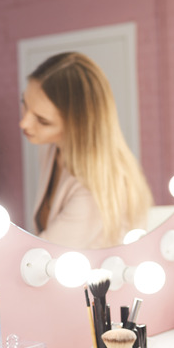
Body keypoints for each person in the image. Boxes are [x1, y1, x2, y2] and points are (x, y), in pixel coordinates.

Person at [21, 52, 153, 249]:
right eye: (24, 104)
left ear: (77, 126)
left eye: (43, 121)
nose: (24, 123)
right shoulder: (51, 150)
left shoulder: (94, 188)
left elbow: (44, 255)